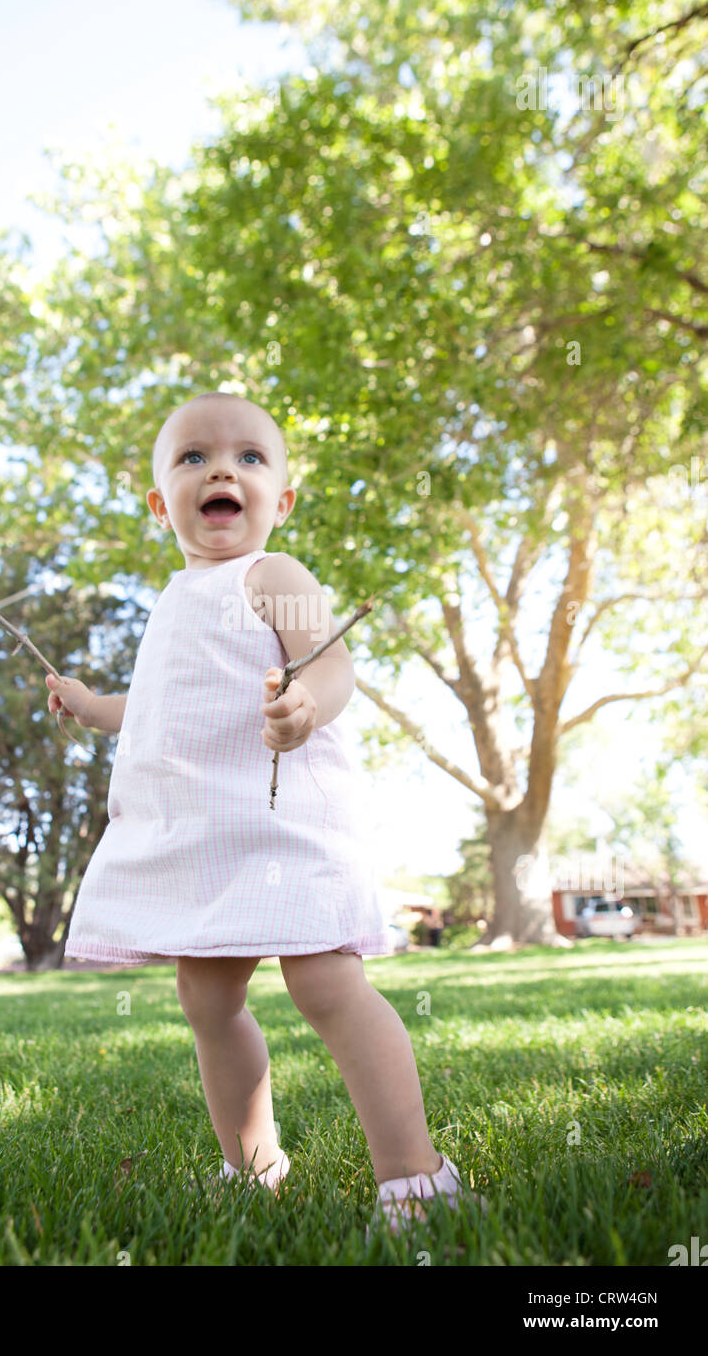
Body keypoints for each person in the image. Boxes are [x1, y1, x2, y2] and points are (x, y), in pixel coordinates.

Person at [45, 390, 485, 1235]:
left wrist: (307, 703)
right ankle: (254, 1168)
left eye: (250, 458)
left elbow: (333, 665)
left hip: (288, 825)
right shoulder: (173, 601)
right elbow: (161, 703)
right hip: (206, 838)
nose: (222, 469)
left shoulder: (270, 576)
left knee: (325, 983)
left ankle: (416, 1178)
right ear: (159, 502)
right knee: (206, 999)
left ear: (279, 500)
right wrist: (93, 703)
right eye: (194, 457)